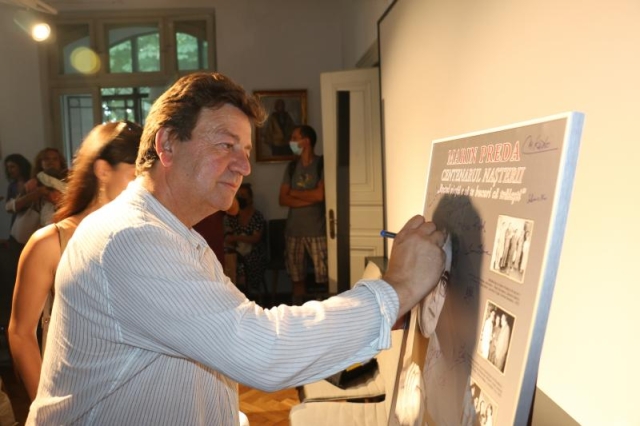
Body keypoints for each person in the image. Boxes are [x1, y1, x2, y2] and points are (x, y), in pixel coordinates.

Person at [27, 72, 446, 425]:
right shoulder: (130, 239)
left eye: (245, 151)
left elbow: (213, 360)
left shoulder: (174, 234)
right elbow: (263, 349)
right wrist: (398, 286)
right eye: (226, 145)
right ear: (167, 144)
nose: (244, 166)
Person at [8, 121, 142, 401]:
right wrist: (45, 408)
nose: (143, 188)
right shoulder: (50, 243)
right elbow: (21, 333)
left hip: (134, 396)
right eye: (135, 175)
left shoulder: (141, 238)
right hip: (74, 396)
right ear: (103, 170)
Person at [279, 124, 327, 303]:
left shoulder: (321, 164)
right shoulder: (292, 167)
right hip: (294, 232)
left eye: (294, 138)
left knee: (324, 279)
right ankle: (298, 312)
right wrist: (311, 197)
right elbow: (282, 199)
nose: (291, 141)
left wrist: (294, 192)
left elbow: (320, 196)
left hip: (317, 231)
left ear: (306, 141)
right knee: (297, 278)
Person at [224, 183, 268, 294]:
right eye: (238, 196)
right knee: (231, 260)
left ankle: (246, 291)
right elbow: (227, 237)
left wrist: (236, 237)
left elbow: (255, 239)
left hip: (254, 252)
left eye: (243, 196)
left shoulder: (257, 216)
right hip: (236, 251)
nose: (240, 198)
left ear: (250, 199)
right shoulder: (232, 217)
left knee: (245, 262)